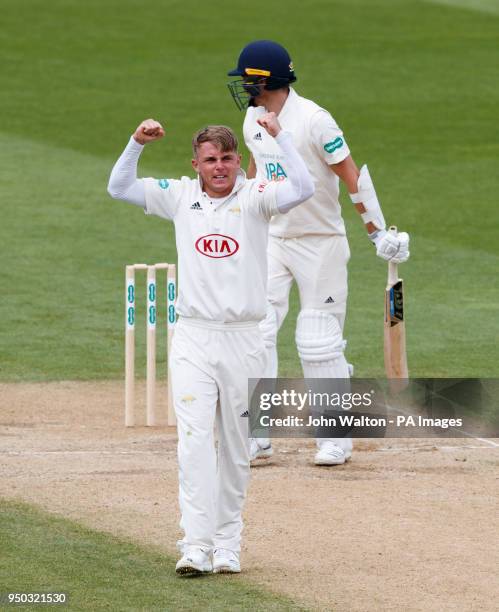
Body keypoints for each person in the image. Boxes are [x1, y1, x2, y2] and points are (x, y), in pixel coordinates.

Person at [107, 114, 314, 574]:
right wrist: (136, 141)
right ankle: (195, 546)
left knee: (237, 447)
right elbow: (119, 187)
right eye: (209, 160)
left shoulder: (257, 196)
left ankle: (228, 545)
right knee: (195, 442)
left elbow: (302, 188)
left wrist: (280, 137)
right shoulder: (180, 195)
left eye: (226, 158)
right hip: (194, 337)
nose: (218, 167)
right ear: (196, 163)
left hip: (246, 339)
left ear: (239, 160)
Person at [227, 40, 410, 466]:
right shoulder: (253, 115)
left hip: (320, 243)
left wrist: (377, 232)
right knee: (257, 331)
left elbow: (351, 175)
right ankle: (258, 435)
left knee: (317, 342)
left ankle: (334, 438)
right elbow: (255, 171)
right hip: (275, 240)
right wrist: (239, 218)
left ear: (265, 80)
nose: (243, 89)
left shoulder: (315, 120)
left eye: (248, 80)